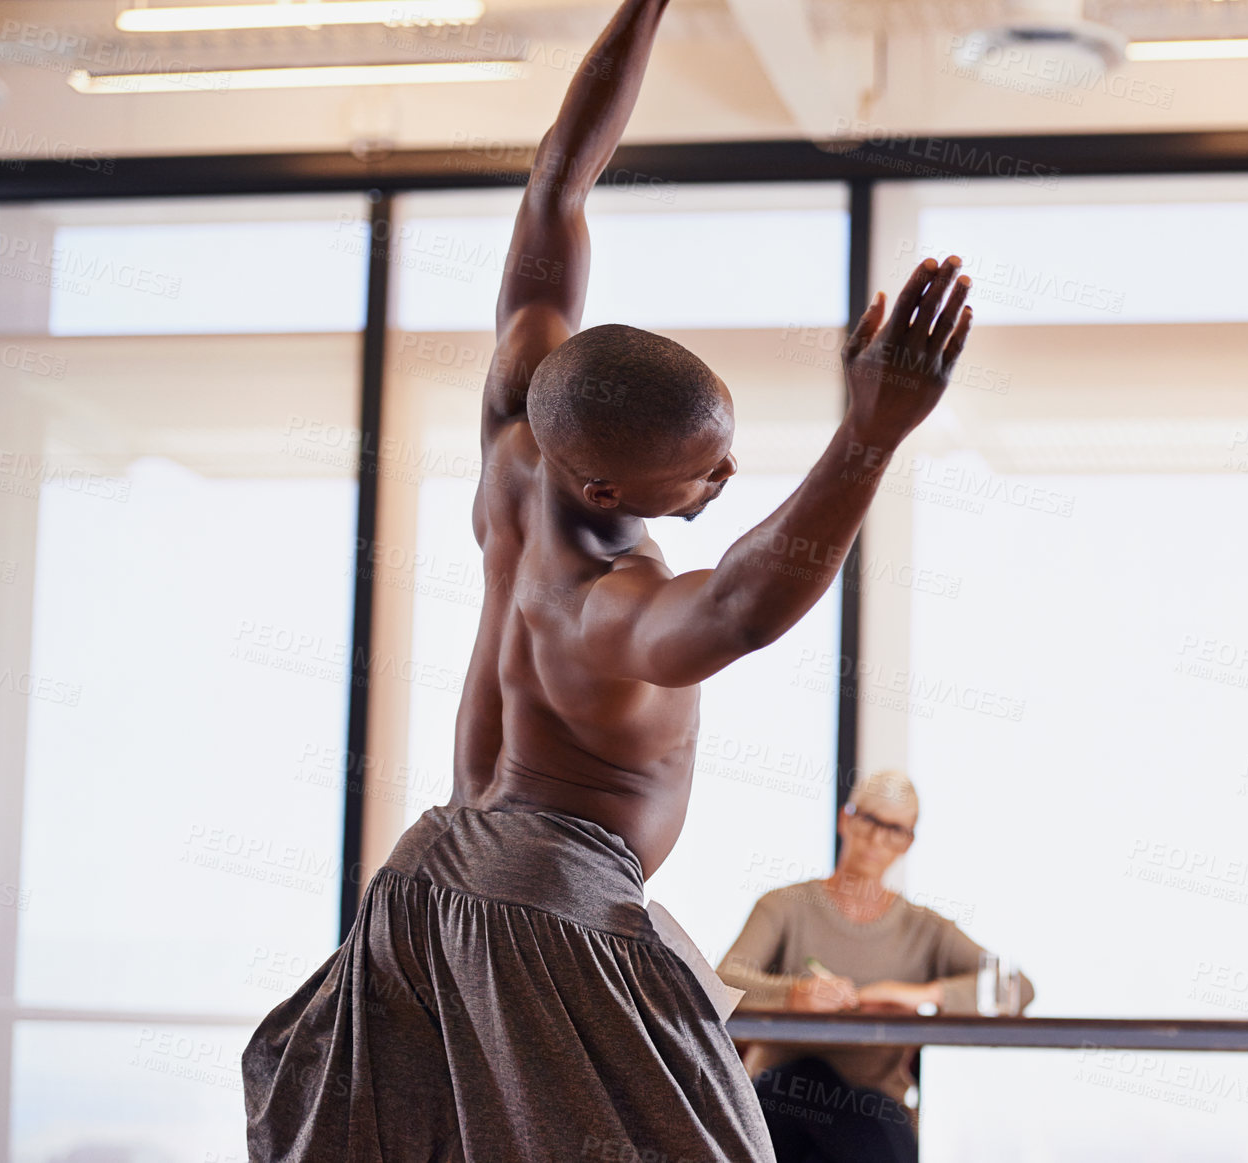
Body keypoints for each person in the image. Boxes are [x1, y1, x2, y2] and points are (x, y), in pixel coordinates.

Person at [239, 0, 976, 1157]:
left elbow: (557, 185)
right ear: (605, 492)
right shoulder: (610, 609)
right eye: (697, 475)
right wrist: (871, 436)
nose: (725, 478)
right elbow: (742, 601)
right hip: (546, 912)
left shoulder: (520, 418)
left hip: (427, 885)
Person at [719, 770, 1034, 1163]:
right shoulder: (785, 907)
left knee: (853, 1119)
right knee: (805, 1080)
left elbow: (1017, 987)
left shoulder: (925, 929)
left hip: (871, 1107)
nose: (877, 838)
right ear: (846, 819)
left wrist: (919, 996)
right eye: (869, 820)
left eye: (894, 829)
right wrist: (792, 995)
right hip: (782, 1100)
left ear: (908, 842)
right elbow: (723, 983)